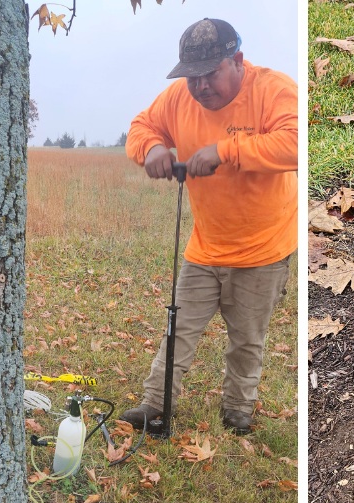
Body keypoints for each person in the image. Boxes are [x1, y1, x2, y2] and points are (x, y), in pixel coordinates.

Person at [120, 17, 297, 435]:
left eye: (209, 74)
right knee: (177, 329)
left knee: (247, 340)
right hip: (205, 248)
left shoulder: (272, 89)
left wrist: (226, 150)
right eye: (191, 77)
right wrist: (152, 148)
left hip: (263, 249)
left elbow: (295, 142)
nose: (199, 87)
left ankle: (237, 412)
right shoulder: (179, 99)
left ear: (237, 60)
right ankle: (155, 404)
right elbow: (140, 127)